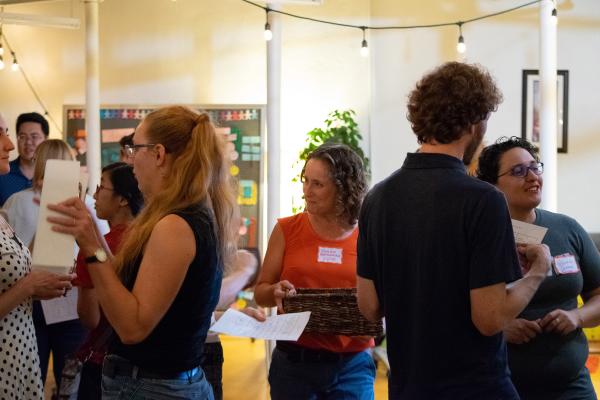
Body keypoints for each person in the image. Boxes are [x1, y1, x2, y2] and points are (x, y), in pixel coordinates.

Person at [356, 62, 552, 399]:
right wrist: (538, 271)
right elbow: (490, 319)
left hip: (408, 387)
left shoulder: (378, 198)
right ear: (475, 123)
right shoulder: (483, 199)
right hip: (475, 387)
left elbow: (370, 306)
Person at [47, 105, 237, 399]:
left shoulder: (175, 225)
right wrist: (95, 235)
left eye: (134, 149)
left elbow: (132, 327)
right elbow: (127, 293)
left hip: (154, 387)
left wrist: (92, 247)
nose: (130, 160)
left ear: (159, 154)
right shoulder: (183, 214)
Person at [477, 136, 600, 399]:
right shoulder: (477, 237)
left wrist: (576, 317)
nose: (533, 177)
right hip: (500, 386)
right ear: (492, 185)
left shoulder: (568, 229)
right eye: (519, 171)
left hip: (572, 385)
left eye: (535, 167)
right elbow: (450, 310)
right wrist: (498, 330)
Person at [255, 143, 375, 400]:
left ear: (344, 188)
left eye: (317, 184)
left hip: (352, 365)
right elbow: (261, 293)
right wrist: (274, 290)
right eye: (305, 181)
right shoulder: (286, 229)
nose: (306, 192)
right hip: (294, 363)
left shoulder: (369, 234)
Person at [3, 139, 107, 391]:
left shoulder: (17, 201)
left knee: (42, 369)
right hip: (62, 296)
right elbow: (105, 252)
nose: (9, 144)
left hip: (41, 303)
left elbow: (103, 254)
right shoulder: (87, 204)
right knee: (69, 378)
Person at [0, 112, 75, 399]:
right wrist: (30, 286)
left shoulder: (10, 207)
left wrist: (49, 218)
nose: (11, 144)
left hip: (20, 356)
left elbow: (25, 262)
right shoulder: (16, 201)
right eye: (3, 134)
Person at [65, 162, 143, 399]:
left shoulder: (93, 249)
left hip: (105, 362)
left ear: (123, 199)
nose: (95, 195)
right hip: (144, 362)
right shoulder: (150, 237)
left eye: (102, 188)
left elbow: (91, 318)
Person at [0, 111, 48, 206]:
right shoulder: (2, 172)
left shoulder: (53, 177)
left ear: (46, 140)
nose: (28, 142)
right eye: (22, 136)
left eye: (34, 136)